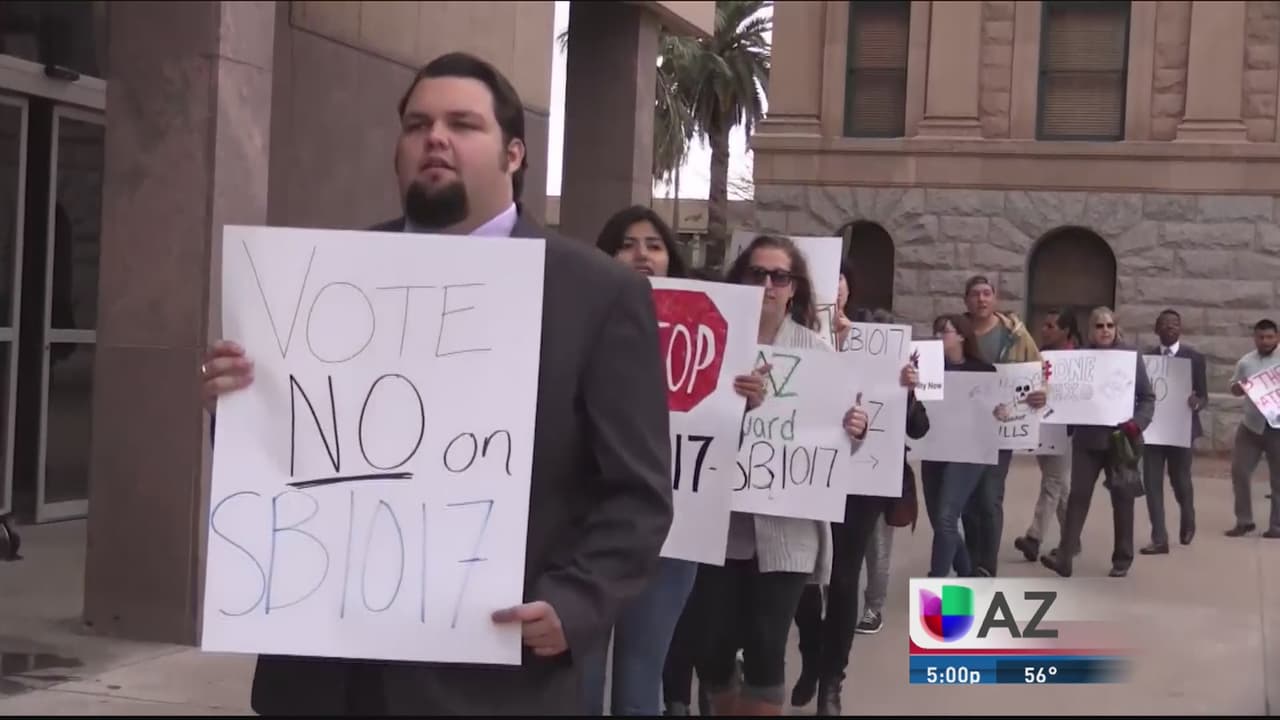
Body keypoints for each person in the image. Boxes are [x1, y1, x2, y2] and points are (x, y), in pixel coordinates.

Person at [202, 52, 674, 715]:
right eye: (418, 123)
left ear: (514, 153)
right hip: (324, 679)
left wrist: (577, 603)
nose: (436, 138)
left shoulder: (598, 294)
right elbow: (286, 458)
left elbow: (638, 494)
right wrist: (238, 402)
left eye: (462, 123)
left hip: (495, 681)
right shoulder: (319, 280)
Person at [587, 205, 768, 716]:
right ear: (605, 254)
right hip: (588, 524)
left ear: (672, 258)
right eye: (626, 243)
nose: (641, 253)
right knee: (581, 673)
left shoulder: (717, 334)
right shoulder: (576, 316)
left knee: (641, 672)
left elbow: (725, 436)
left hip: (675, 525)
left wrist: (745, 403)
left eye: (654, 244)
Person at [690, 234, 869, 716]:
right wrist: (730, 402)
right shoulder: (714, 342)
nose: (767, 284)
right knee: (711, 643)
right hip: (719, 524)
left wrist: (857, 427)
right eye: (757, 273)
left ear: (794, 289)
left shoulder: (817, 352)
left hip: (788, 528)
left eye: (779, 276)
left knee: (768, 643)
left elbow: (838, 436)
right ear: (741, 279)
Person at [791, 309, 925, 715]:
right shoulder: (809, 349)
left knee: (844, 578)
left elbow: (919, 428)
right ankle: (812, 654)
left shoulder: (894, 368)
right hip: (808, 473)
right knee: (803, 577)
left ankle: (833, 680)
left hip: (863, 484)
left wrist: (909, 391)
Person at [1042, 307, 1155, 579]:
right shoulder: (1078, 359)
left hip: (1121, 441)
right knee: (1078, 497)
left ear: (1116, 329)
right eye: (1099, 326)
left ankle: (1122, 558)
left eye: (1109, 325)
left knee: (1123, 499)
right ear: (1090, 330)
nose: (1104, 330)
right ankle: (1065, 557)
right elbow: (1064, 395)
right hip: (1087, 440)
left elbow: (1147, 398)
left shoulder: (1130, 357)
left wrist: (1137, 423)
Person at [961, 276, 1045, 577]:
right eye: (975, 294)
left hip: (1001, 429)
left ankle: (987, 565)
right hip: (965, 430)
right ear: (966, 301)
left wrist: (1041, 393)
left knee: (989, 496)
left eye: (987, 293)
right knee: (968, 499)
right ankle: (970, 560)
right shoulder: (959, 332)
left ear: (994, 298)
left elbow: (1038, 372)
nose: (981, 299)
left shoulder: (1016, 335)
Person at [919, 314, 1002, 579]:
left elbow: (994, 410)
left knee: (946, 518)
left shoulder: (983, 371)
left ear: (962, 336)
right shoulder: (927, 370)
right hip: (934, 449)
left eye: (945, 332)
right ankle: (967, 574)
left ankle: (937, 584)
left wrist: (998, 410)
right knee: (939, 522)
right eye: (936, 332)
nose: (938, 338)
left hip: (969, 452)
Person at [1013, 307, 1081, 562]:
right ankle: (1071, 539)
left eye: (1051, 326)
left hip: (1065, 430)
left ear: (1066, 330)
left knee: (1053, 482)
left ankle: (1034, 536)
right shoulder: (1040, 355)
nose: (1044, 330)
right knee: (1060, 486)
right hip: (1043, 425)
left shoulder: (1077, 359)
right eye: (1043, 325)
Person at [1140, 308, 1207, 553]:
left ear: (1180, 329)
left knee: (1180, 482)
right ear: (1157, 329)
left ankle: (1188, 518)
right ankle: (1159, 538)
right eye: (1165, 323)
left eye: (1175, 323)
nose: (1170, 327)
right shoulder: (1146, 359)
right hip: (1153, 432)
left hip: (1181, 430)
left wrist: (1197, 402)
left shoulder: (1194, 358)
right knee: (1152, 483)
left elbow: (1203, 394)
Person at [1226, 319, 1280, 538]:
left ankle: (1277, 526)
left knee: (1278, 479)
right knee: (1239, 472)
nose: (1265, 341)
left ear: (1277, 337)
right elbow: (1233, 387)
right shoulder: (1246, 362)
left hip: (1277, 428)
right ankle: (1244, 520)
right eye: (1261, 337)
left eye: (1269, 337)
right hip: (1251, 427)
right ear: (1254, 338)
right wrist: (1239, 387)